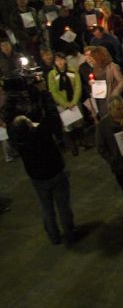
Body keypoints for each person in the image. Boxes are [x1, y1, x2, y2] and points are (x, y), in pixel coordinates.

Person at [9, 88, 76, 245]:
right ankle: (70, 232)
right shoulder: (42, 132)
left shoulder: (18, 141)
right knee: (63, 206)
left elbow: (7, 119)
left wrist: (11, 96)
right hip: (55, 172)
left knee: (46, 208)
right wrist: (44, 94)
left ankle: (54, 236)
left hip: (37, 178)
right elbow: (53, 116)